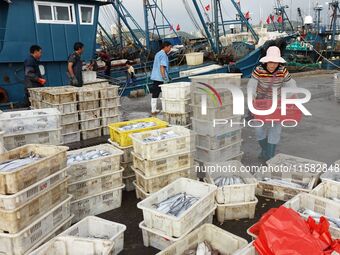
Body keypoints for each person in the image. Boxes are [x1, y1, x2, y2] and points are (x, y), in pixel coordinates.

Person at [247, 46, 296, 160]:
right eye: (270, 62)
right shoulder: (258, 70)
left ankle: (270, 155)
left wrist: (288, 98)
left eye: (275, 62)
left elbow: (291, 85)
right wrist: (252, 97)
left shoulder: (283, 70)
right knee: (259, 129)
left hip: (276, 104)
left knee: (276, 129)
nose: (272, 65)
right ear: (266, 61)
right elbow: (252, 85)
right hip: (260, 103)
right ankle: (265, 149)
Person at [150, 41, 172, 114]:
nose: (170, 49)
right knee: (166, 93)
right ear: (166, 47)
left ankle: (153, 109)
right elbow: (162, 66)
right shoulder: (163, 55)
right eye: (170, 47)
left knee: (155, 93)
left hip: (155, 76)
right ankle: (166, 108)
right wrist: (164, 77)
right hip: (161, 77)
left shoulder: (158, 53)